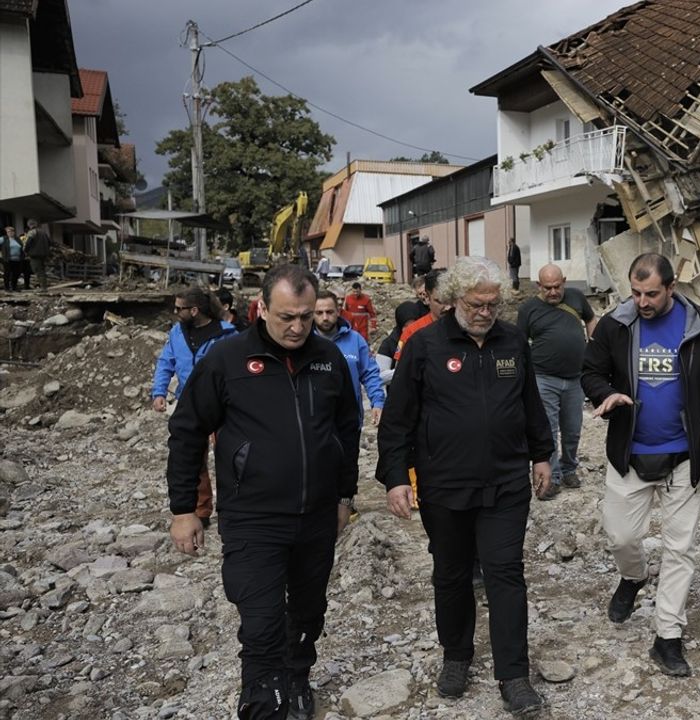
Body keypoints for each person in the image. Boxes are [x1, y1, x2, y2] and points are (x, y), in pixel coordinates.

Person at [167, 264, 360, 720]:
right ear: (261, 308)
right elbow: (187, 430)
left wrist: (344, 497)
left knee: (309, 611)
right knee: (261, 621)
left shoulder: (328, 359)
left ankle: (296, 679)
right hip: (253, 517)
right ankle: (262, 700)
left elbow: (346, 429)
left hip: (315, 515)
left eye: (307, 317)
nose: (297, 328)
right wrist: (185, 508)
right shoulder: (226, 360)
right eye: (286, 317)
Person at [376, 256, 553, 716]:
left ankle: (513, 674)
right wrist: (396, 477)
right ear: (455, 299)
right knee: (451, 575)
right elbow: (397, 419)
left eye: (493, 303)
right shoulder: (425, 345)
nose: (485, 312)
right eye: (477, 303)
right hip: (445, 484)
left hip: (505, 482)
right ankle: (456, 657)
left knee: (505, 574)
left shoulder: (513, 340)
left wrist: (541, 454)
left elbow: (530, 401)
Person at [580, 253, 700, 676]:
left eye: (651, 293)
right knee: (621, 535)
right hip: (630, 453)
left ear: (671, 287)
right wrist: (603, 395)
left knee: (679, 548)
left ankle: (668, 637)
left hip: (685, 456)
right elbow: (590, 372)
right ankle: (632, 577)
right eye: (635, 292)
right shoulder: (616, 324)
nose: (642, 302)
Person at [151, 288, 238, 528]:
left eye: (179, 308)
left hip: (223, 406)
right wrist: (159, 391)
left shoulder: (226, 335)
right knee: (193, 458)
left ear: (195, 310)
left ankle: (233, 505)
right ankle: (201, 510)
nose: (175, 312)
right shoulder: (177, 334)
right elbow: (165, 362)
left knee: (229, 456)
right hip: (190, 405)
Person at [516, 264, 596, 499]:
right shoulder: (528, 309)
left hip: (575, 379)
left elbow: (591, 319)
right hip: (543, 378)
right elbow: (520, 342)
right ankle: (553, 477)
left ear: (564, 281)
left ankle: (569, 466)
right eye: (547, 288)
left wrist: (595, 345)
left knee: (572, 429)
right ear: (539, 286)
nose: (553, 292)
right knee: (548, 430)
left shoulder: (577, 297)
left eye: (557, 287)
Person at [314, 289, 385, 427]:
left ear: (338, 311)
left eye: (329, 312)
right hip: (314, 421)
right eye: (319, 313)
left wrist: (377, 402)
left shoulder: (356, 340)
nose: (325, 317)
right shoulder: (304, 342)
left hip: (349, 420)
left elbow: (370, 374)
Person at [23, 219, 50, 290]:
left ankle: (43, 288)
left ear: (29, 225)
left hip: (35, 254)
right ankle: (44, 286)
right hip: (44, 254)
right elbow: (49, 242)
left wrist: (26, 250)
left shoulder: (32, 232)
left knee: (37, 270)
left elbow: (28, 242)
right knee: (42, 270)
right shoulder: (43, 232)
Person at [1, 226, 22, 292]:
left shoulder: (17, 239)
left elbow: (22, 247)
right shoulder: (4, 239)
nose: (10, 233)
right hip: (8, 259)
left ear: (14, 232)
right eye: (8, 231)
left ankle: (14, 287)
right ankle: (7, 287)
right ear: (6, 232)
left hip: (17, 259)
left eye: (11, 231)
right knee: (7, 273)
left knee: (16, 273)